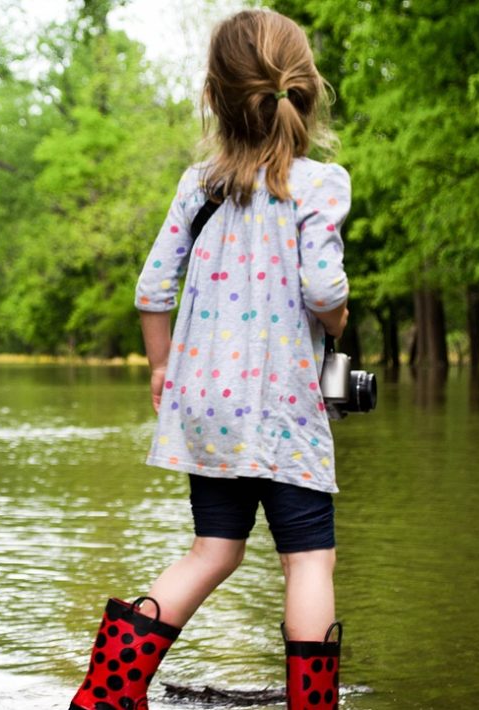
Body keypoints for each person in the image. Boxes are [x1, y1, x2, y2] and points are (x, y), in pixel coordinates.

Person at [69, 9, 349, 710]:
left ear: (216, 97)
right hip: (285, 412)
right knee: (307, 559)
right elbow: (323, 290)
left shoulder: (201, 185)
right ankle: (312, 706)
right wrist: (339, 319)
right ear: (304, 89)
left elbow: (151, 289)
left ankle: (107, 693)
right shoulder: (320, 184)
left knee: (213, 551)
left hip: (209, 409)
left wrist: (163, 368)